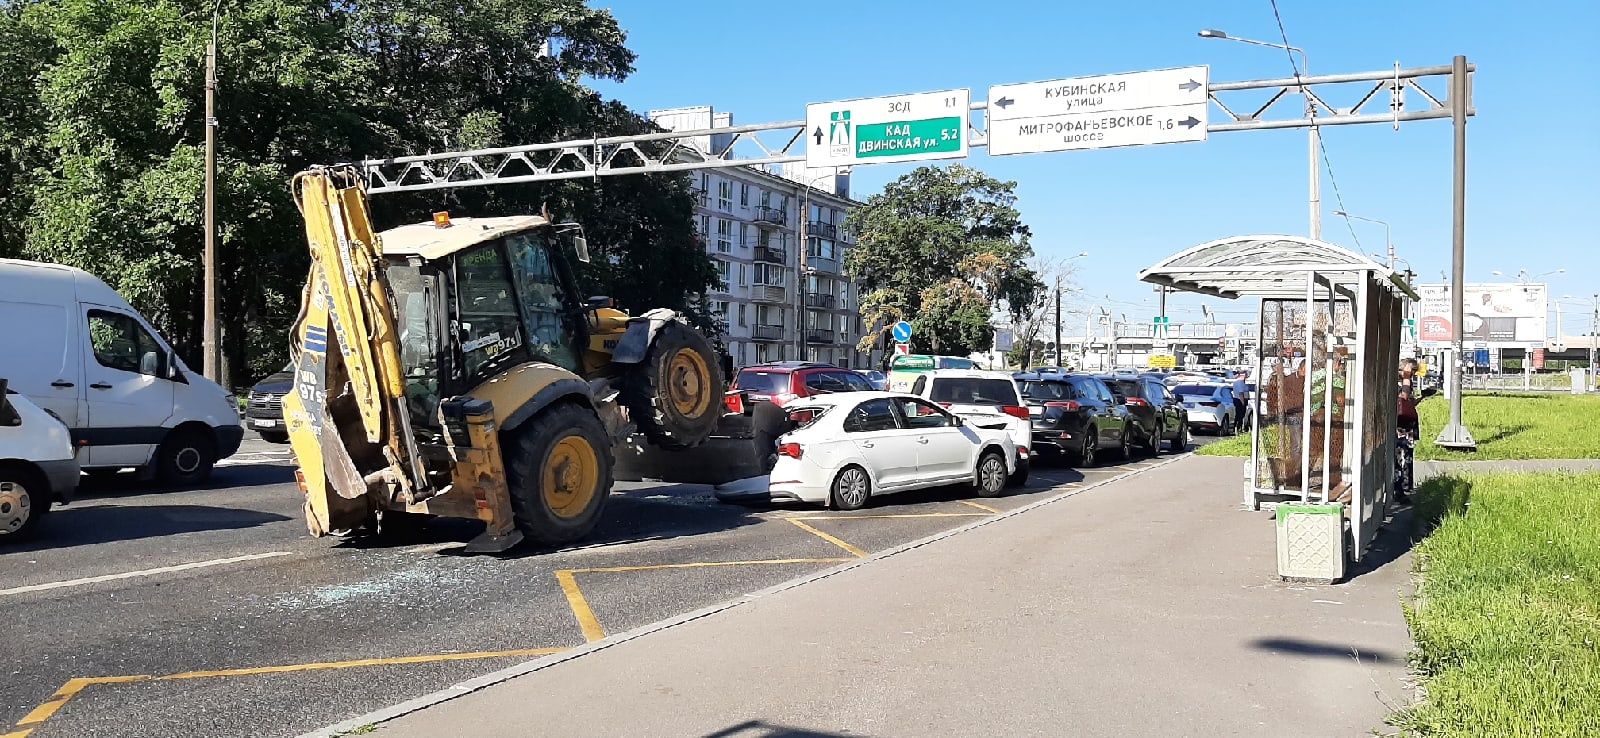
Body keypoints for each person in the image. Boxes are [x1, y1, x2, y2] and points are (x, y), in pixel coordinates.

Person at [1395, 358, 1420, 504]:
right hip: (1400, 427)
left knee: (1407, 458)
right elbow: (1402, 398)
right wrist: (1406, 378)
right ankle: (1399, 490)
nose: (1413, 374)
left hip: (1408, 427)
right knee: (1401, 458)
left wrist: (1421, 397)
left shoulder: (1408, 383)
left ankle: (1405, 488)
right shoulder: (1399, 383)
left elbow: (1407, 403)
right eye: (1412, 371)